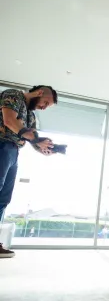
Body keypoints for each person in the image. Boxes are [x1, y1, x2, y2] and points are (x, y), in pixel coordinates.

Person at [0, 85, 58, 258]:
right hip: (1, 145)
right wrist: (35, 140)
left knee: (3, 199)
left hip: (13, 152)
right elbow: (9, 121)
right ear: (39, 93)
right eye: (45, 103)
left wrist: (44, 148)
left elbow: (33, 139)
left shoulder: (30, 116)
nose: (44, 107)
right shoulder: (14, 95)